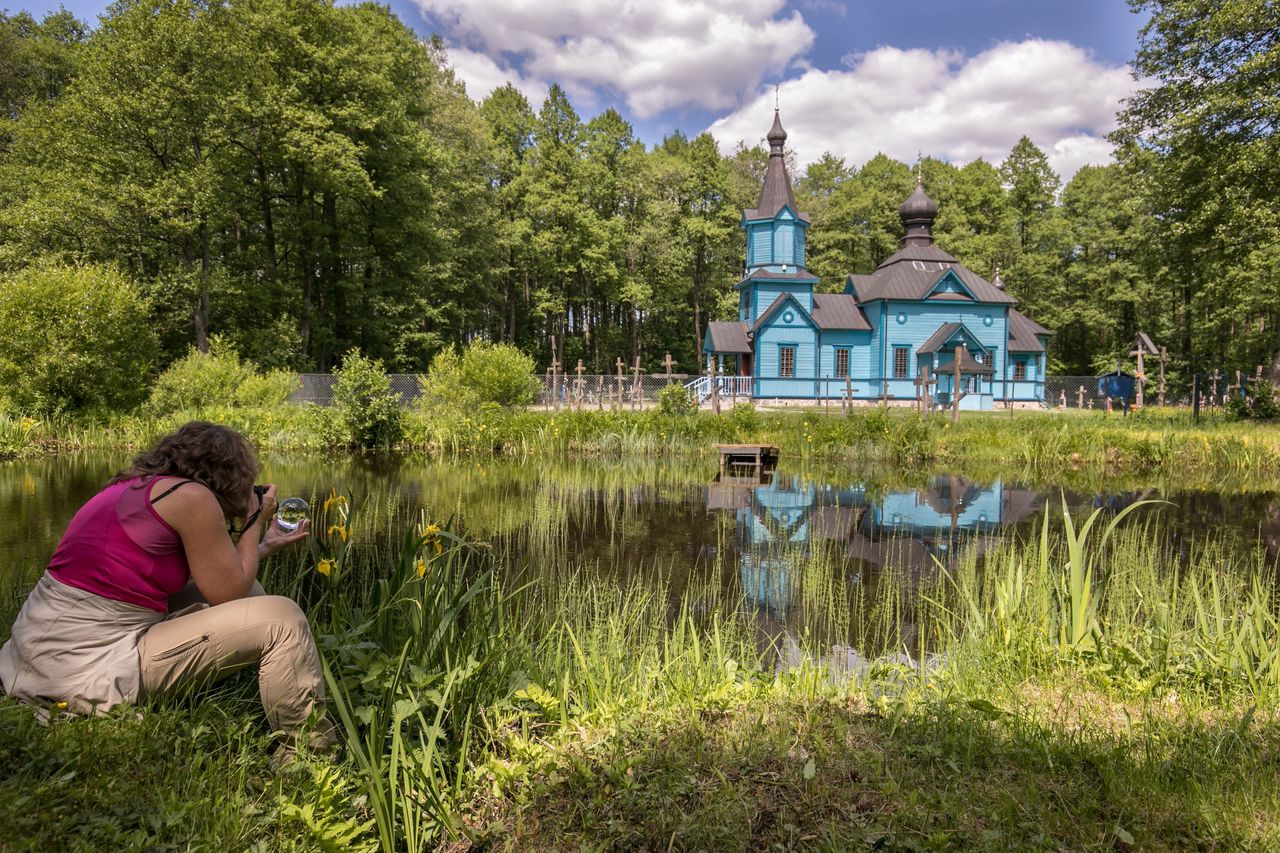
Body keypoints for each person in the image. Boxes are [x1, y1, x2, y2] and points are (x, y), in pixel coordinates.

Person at [0, 421, 331, 747]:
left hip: (42, 649)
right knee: (282, 620)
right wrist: (254, 519)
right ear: (229, 474)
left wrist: (264, 546)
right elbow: (226, 590)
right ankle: (307, 752)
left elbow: (214, 576)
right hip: (85, 661)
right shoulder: (193, 498)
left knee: (253, 594)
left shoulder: (136, 487)